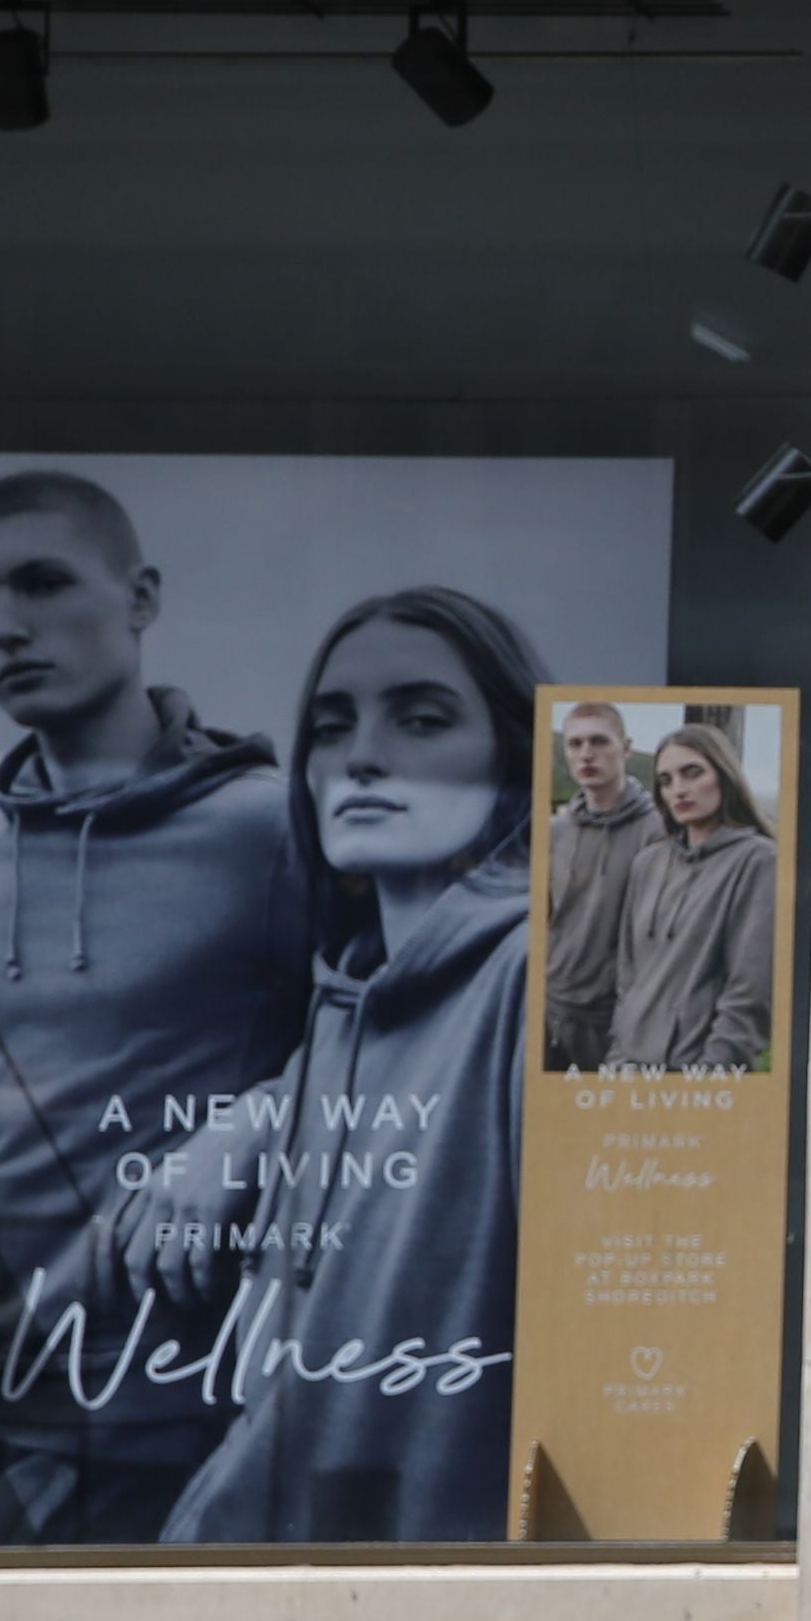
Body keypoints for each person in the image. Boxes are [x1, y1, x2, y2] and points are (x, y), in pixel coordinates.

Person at [0, 471, 305, 1548]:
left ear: (140, 599)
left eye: (44, 583)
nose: (7, 625)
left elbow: (373, 1036)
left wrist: (243, 1129)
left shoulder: (269, 830)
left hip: (131, 1377)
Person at [151, 588, 554, 1546]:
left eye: (421, 719)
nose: (361, 755)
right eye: (332, 728)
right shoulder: (346, 1005)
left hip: (433, 1581)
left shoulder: (542, 976)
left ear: (514, 754)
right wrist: (254, 1115)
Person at [604, 720, 776, 1076]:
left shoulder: (757, 860)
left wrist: (710, 1076)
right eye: (666, 781)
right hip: (628, 1071)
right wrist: (618, 1057)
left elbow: (750, 990)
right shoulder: (647, 864)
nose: (679, 789)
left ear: (724, 775)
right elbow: (627, 976)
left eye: (692, 773)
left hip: (697, 1074)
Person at [534, 701, 657, 1074]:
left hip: (619, 1022)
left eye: (599, 742)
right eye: (575, 744)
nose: (586, 754)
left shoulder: (659, 830)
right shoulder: (554, 831)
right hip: (549, 1009)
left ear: (626, 748)